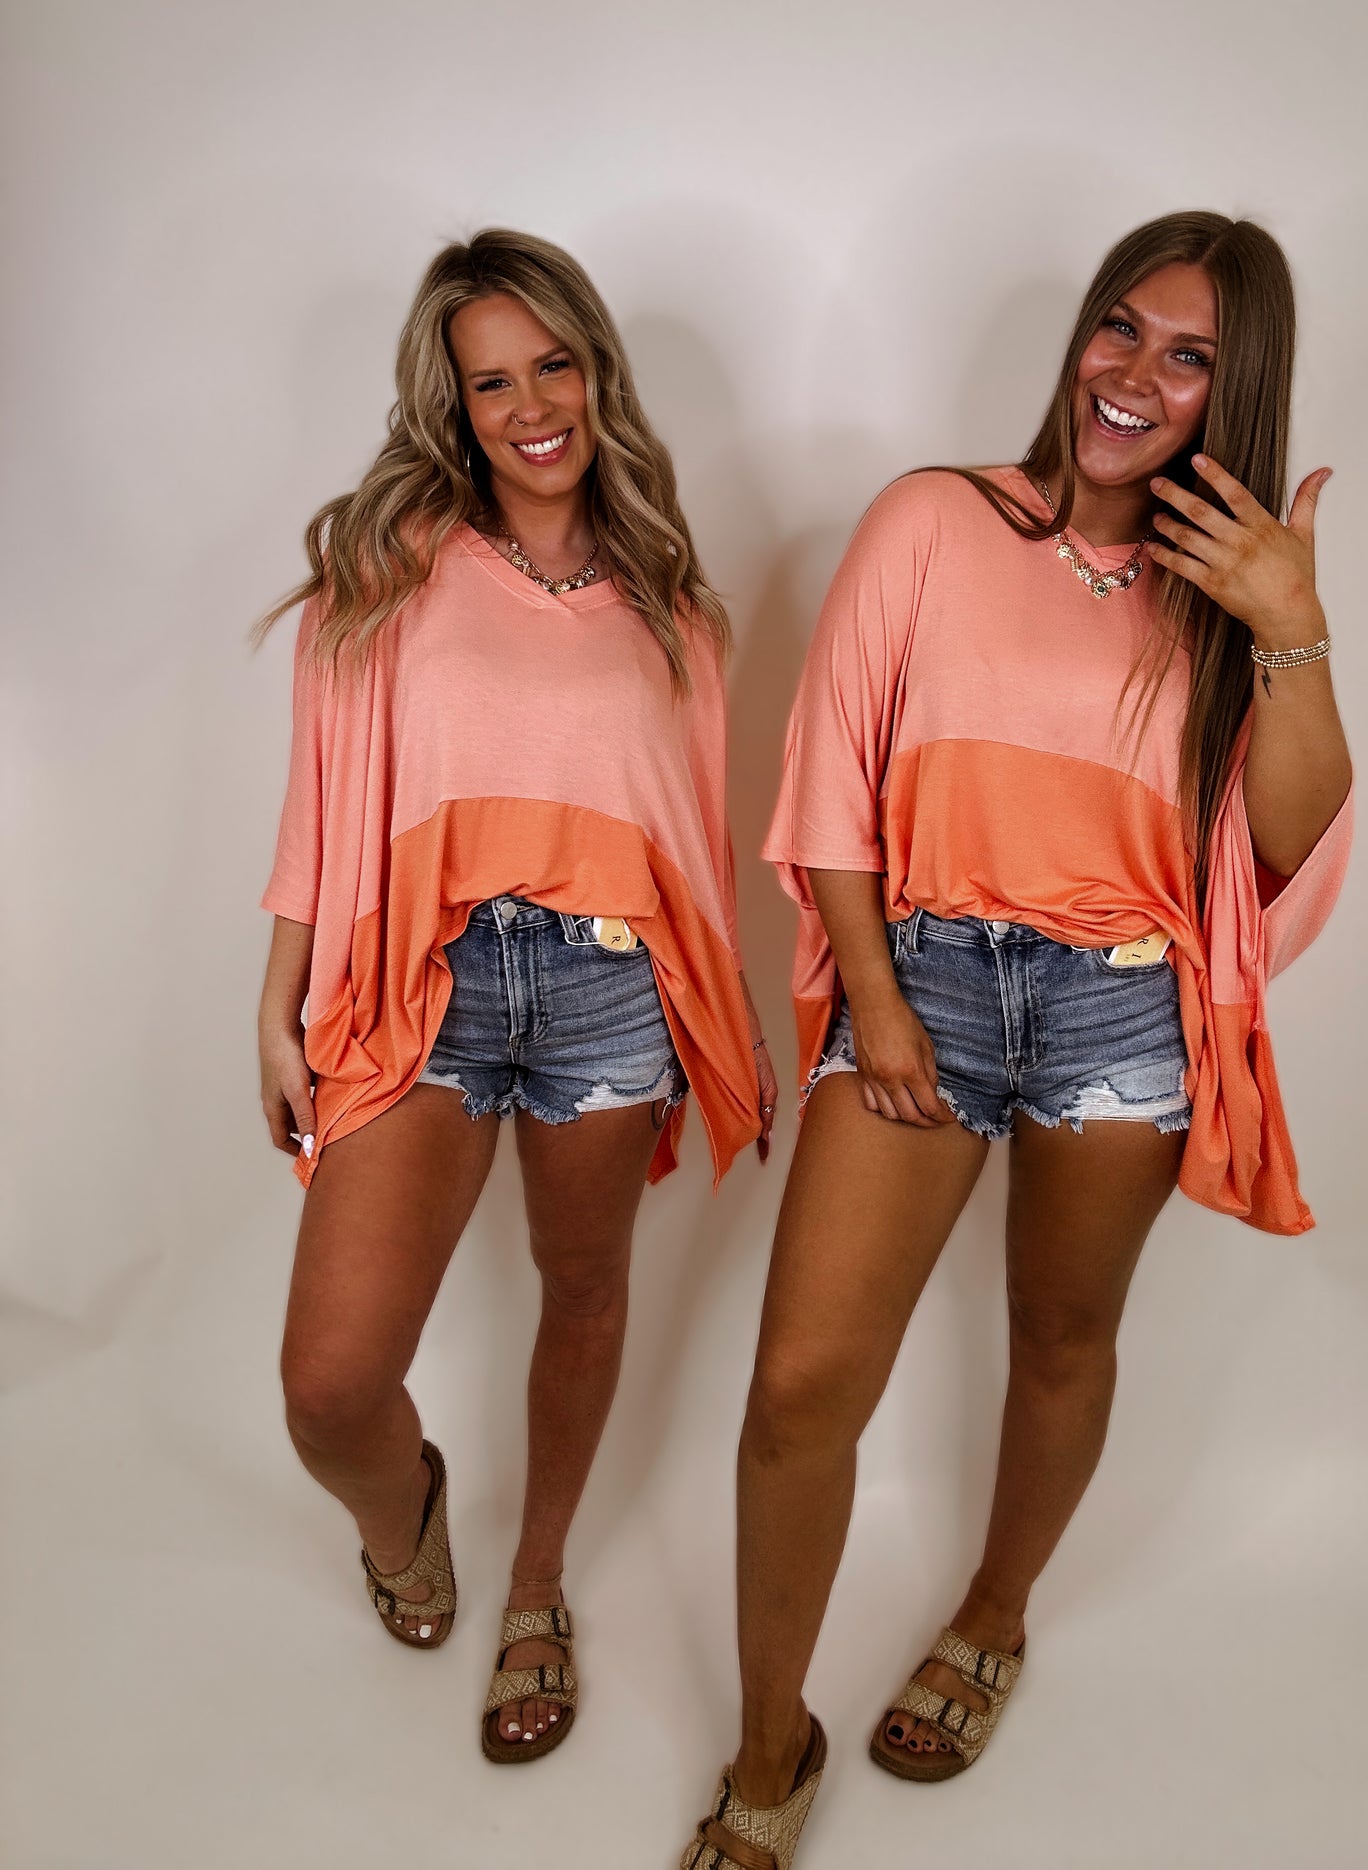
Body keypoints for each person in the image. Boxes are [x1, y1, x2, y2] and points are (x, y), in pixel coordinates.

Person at [680, 211, 1351, 1868]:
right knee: (797, 1388)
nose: (1132, 373)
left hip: (1122, 1005)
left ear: (1230, 392)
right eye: (1119, 326)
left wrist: (1288, 624)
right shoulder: (933, 519)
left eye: (1187, 357)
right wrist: (875, 997)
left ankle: (990, 1614)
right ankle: (768, 1747)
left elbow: (1281, 846)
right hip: (925, 978)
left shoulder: (1232, 597)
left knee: (1059, 1334)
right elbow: (830, 782)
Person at [256, 228, 775, 1764]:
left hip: (614, 993)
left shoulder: (674, 608)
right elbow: (322, 806)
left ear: (597, 370)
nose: (531, 405)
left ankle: (538, 1580)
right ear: (455, 406)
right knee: (330, 1380)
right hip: (426, 980)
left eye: (553, 365)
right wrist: (278, 1006)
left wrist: (727, 1015)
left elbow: (684, 834)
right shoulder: (385, 570)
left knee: (584, 1287)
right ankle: (402, 1515)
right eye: (491, 382)